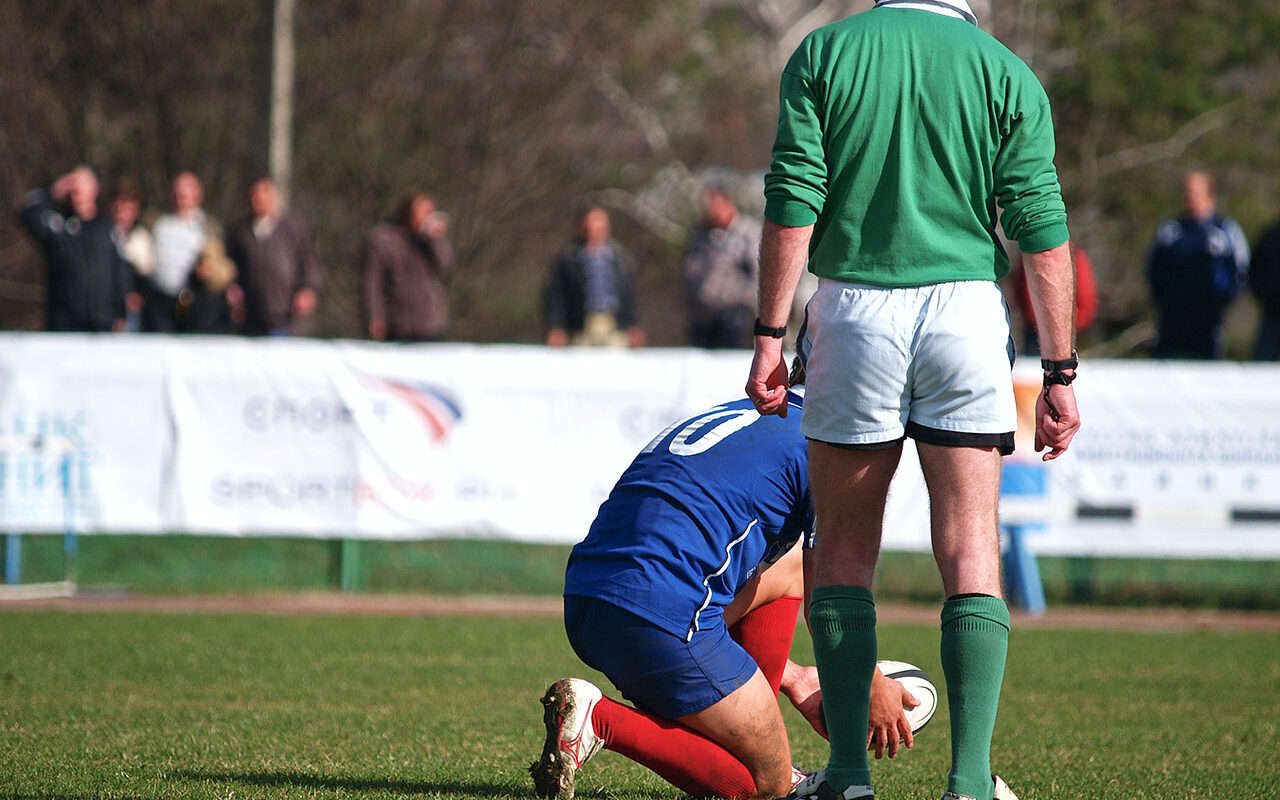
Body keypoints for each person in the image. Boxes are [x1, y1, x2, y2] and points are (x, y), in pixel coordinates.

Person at [746, 3, 1080, 800]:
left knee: (846, 553)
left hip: (855, 307)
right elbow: (1039, 224)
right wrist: (1060, 368)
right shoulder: (1004, 71)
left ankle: (851, 780)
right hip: (965, 310)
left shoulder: (824, 52)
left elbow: (796, 196)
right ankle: (968, 782)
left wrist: (768, 331)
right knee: (970, 547)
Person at [531, 364, 921, 800]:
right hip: (661, 618)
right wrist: (871, 684)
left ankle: (748, 713)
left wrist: (794, 678)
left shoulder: (756, 413)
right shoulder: (827, 444)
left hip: (587, 597)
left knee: (789, 564)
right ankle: (600, 719)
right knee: (765, 783)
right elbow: (829, 606)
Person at [1146, 171, 1250, 359]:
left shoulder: (1225, 230)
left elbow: (1240, 271)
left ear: (1210, 196)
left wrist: (1220, 301)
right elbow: (1153, 269)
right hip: (1173, 320)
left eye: (1195, 192)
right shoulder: (1171, 230)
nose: (1189, 197)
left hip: (1209, 321)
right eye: (1186, 192)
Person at [17, 166, 129, 332]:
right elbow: (26, 212)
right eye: (73, 191)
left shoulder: (108, 228)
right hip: (64, 322)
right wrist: (54, 191)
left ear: (94, 191)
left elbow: (120, 272)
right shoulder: (58, 225)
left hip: (102, 322)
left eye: (80, 190)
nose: (76, 196)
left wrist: (120, 312)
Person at [224, 177, 323, 336]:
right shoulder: (240, 232)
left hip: (285, 317)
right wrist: (231, 290)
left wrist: (308, 289)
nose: (259, 198)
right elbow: (229, 267)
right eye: (255, 194)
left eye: (265, 193)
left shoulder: (293, 229)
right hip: (249, 319)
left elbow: (309, 262)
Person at [544, 206, 645, 348]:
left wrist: (633, 325)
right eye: (591, 221)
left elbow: (630, 295)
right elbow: (556, 296)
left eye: (599, 220)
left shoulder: (619, 257)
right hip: (581, 326)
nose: (595, 226)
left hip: (614, 325)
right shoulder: (568, 257)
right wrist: (557, 327)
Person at [361, 193, 454, 342]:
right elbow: (373, 281)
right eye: (424, 212)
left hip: (429, 324)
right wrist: (375, 317)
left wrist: (435, 240)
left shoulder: (431, 241)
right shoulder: (384, 238)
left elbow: (445, 267)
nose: (428, 217)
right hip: (395, 322)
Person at [683, 185, 762, 349]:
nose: (712, 212)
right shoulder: (701, 236)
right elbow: (691, 271)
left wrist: (742, 300)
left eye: (716, 206)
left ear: (729, 205)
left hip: (735, 317)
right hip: (703, 316)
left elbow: (758, 274)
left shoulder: (748, 234)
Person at [145, 172, 219, 332]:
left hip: (192, 300)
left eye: (185, 192)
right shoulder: (158, 223)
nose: (181, 196)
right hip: (160, 300)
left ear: (198, 195)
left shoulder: (207, 226)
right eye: (177, 191)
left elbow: (219, 266)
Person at [1009, 242, 1098, 355]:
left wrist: (1074, 325)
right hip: (1035, 330)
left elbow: (1085, 295)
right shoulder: (1030, 255)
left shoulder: (1075, 257)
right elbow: (1020, 290)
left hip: (1066, 331)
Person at [109, 181, 154, 333]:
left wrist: (136, 295)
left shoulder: (141, 238)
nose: (121, 212)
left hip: (131, 309)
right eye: (118, 207)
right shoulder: (103, 234)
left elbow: (145, 274)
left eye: (127, 208)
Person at [1249, 217, 1280, 360]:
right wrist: (1265, 295)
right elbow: (1253, 271)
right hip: (1272, 314)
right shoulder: (1270, 237)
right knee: (1264, 364)